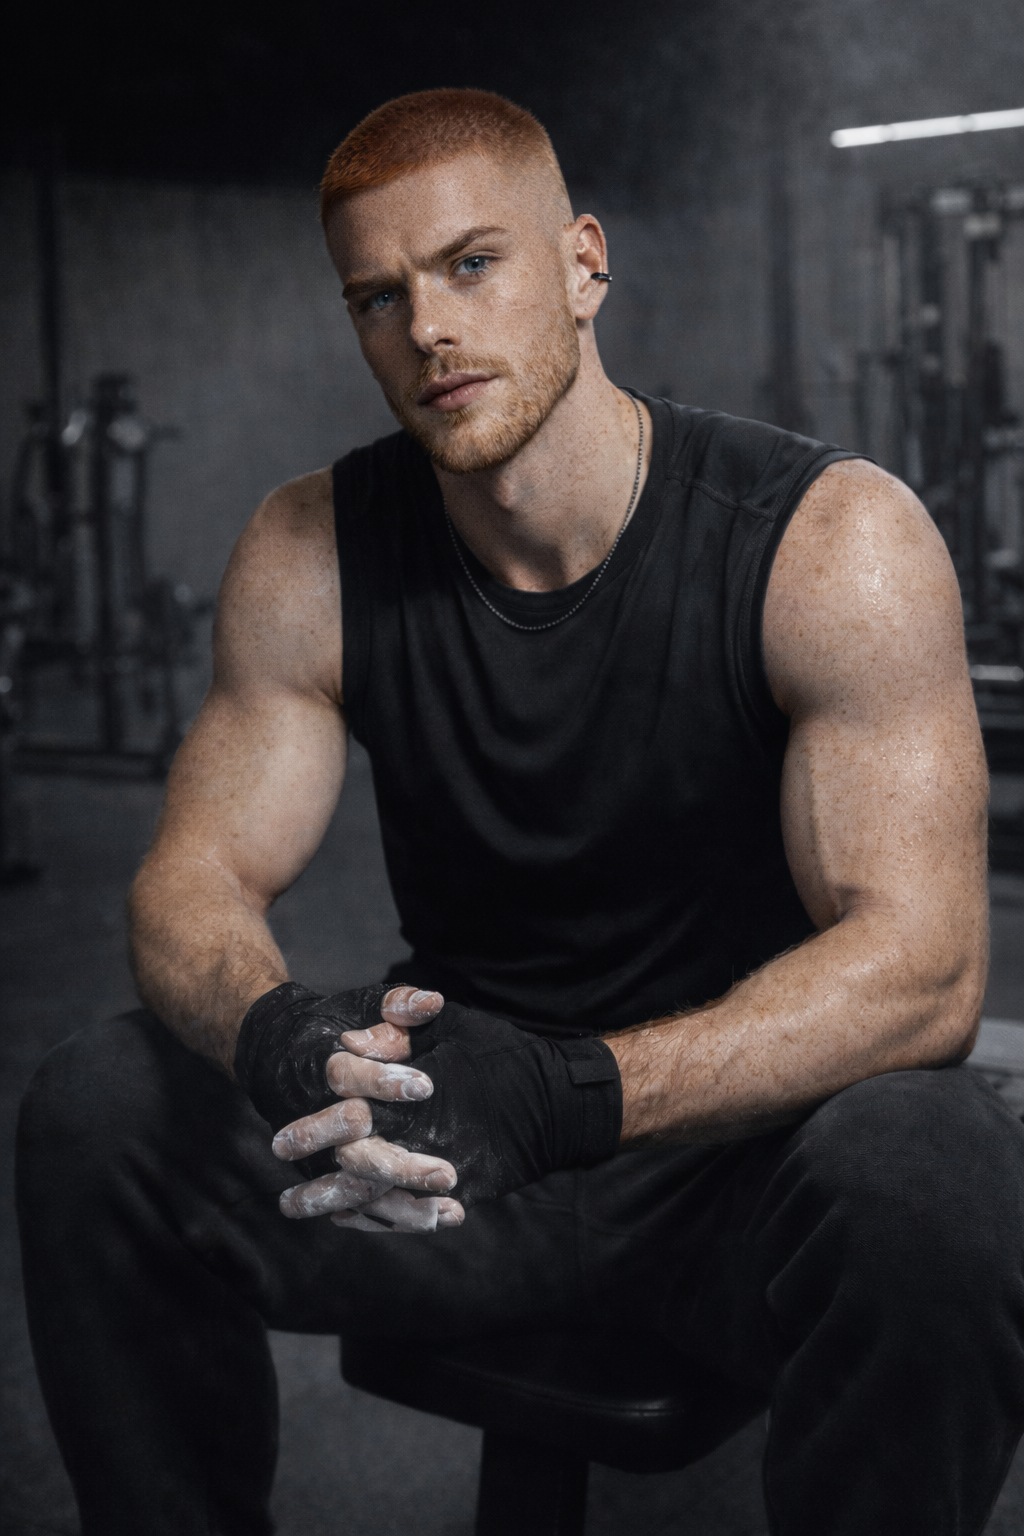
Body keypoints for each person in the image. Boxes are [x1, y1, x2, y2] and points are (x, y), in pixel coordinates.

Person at [16, 87, 1024, 1536]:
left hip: (725, 1171)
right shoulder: (313, 550)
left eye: (472, 264)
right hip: (451, 1168)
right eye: (378, 296)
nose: (426, 327)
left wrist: (572, 1096)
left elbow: (926, 969)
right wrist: (283, 1038)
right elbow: (191, 882)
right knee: (95, 1110)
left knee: (937, 1172)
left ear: (585, 265)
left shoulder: (825, 544)